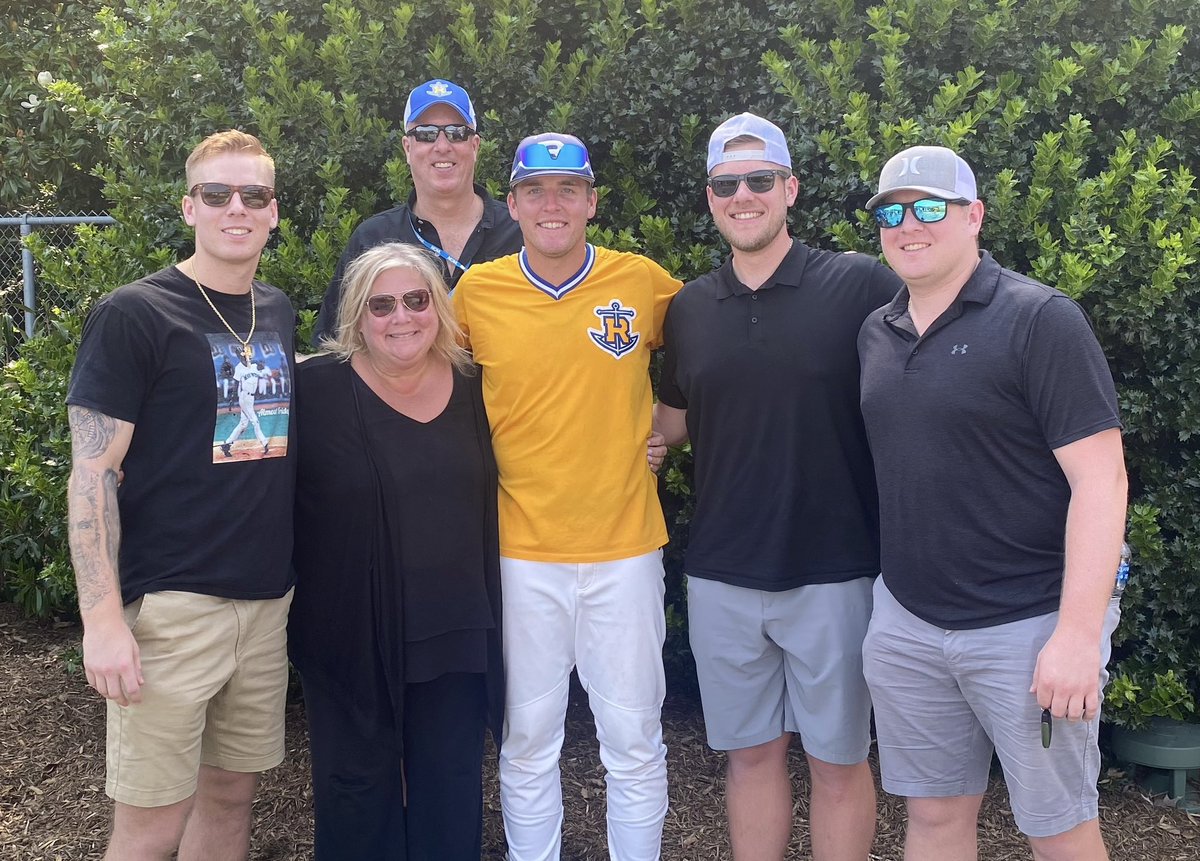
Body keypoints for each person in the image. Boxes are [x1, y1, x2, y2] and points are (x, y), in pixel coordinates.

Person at [858, 145, 1127, 860]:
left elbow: (1102, 481)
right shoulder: (877, 332)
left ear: (974, 215)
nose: (908, 226)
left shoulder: (1041, 319)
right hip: (909, 623)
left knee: (1059, 829)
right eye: (890, 213)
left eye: (928, 207)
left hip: (1029, 623)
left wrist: (1077, 635)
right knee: (933, 817)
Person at [653, 112, 900, 861]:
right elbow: (671, 422)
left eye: (760, 179)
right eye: (726, 184)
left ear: (790, 188)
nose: (743, 195)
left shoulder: (859, 285)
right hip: (723, 572)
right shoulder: (689, 308)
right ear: (710, 198)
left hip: (835, 569)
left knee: (838, 761)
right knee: (750, 757)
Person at [65, 130, 295, 861]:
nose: (237, 207)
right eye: (217, 193)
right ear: (189, 207)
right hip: (171, 611)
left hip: (265, 605)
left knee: (229, 798)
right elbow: (93, 472)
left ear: (274, 211)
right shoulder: (135, 314)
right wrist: (103, 621)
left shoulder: (277, 310)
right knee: (151, 828)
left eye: (253, 194)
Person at [452, 133, 682, 860]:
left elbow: (719, 357)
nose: (552, 204)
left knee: (635, 739)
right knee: (526, 740)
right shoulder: (476, 292)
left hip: (626, 546)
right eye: (535, 190)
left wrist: (667, 430)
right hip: (520, 552)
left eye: (568, 189)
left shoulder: (640, 281)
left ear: (591, 201)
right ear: (513, 203)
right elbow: (428, 388)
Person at [289, 242, 504, 860]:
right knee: (356, 796)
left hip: (455, 630)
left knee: (450, 794)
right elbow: (246, 469)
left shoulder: (478, 386)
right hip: (349, 635)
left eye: (416, 299)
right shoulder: (313, 391)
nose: (401, 317)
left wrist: (648, 439)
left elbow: (554, 437)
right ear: (356, 317)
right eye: (380, 305)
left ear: (439, 308)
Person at [312, 78, 523, 345]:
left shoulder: (520, 232)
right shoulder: (373, 239)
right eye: (426, 133)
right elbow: (336, 344)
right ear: (407, 148)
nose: (442, 146)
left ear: (475, 146)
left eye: (457, 132)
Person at [221, 352, 271, 456]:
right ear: (240, 357)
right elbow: (236, 384)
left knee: (243, 424)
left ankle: (227, 444)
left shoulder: (254, 365)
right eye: (243, 357)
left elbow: (262, 366)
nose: (245, 358)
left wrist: (253, 362)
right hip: (244, 397)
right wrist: (232, 398)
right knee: (255, 421)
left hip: (251, 398)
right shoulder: (238, 367)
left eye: (247, 356)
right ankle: (265, 443)